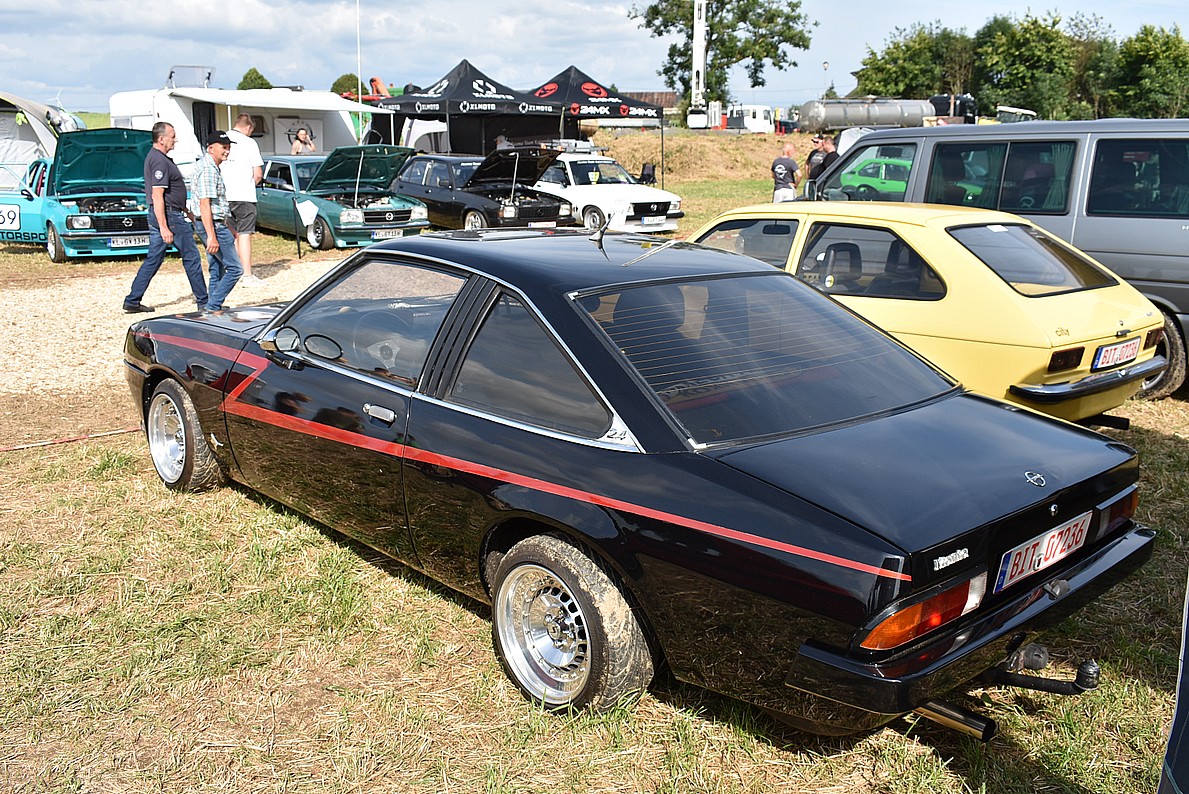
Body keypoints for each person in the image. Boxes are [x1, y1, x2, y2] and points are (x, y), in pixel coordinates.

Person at [123, 122, 207, 313]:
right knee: (191, 257)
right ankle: (204, 303)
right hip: (169, 216)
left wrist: (186, 211)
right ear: (161, 139)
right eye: (172, 136)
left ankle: (132, 300)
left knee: (154, 259)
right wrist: (164, 226)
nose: (175, 140)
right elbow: (157, 195)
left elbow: (169, 193)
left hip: (168, 213)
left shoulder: (158, 158)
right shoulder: (159, 161)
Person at [190, 131, 243, 312]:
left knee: (217, 266)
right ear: (211, 148)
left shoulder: (210, 166)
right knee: (235, 269)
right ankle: (212, 306)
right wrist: (211, 236)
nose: (227, 151)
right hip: (212, 225)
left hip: (214, 223)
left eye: (228, 147)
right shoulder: (208, 169)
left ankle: (212, 305)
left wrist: (228, 225)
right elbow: (205, 204)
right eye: (223, 147)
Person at [221, 113, 264, 284]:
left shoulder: (222, 139)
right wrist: (250, 184)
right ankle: (246, 274)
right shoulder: (249, 143)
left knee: (232, 234)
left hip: (225, 195)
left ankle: (234, 270)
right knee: (244, 233)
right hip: (244, 194)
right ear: (248, 127)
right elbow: (258, 173)